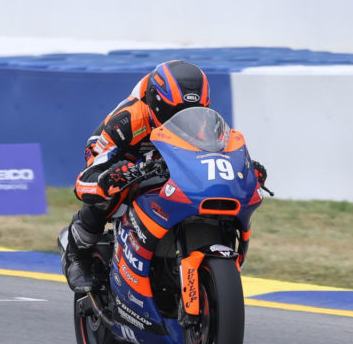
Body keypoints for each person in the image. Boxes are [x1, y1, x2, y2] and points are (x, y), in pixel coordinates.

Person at [59, 60, 267, 292]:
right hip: (124, 154)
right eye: (174, 112)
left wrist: (246, 169)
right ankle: (78, 249)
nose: (183, 116)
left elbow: (216, 150)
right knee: (112, 192)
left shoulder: (204, 119)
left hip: (166, 158)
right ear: (156, 104)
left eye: (189, 111)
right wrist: (109, 178)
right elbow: (84, 181)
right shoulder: (129, 119)